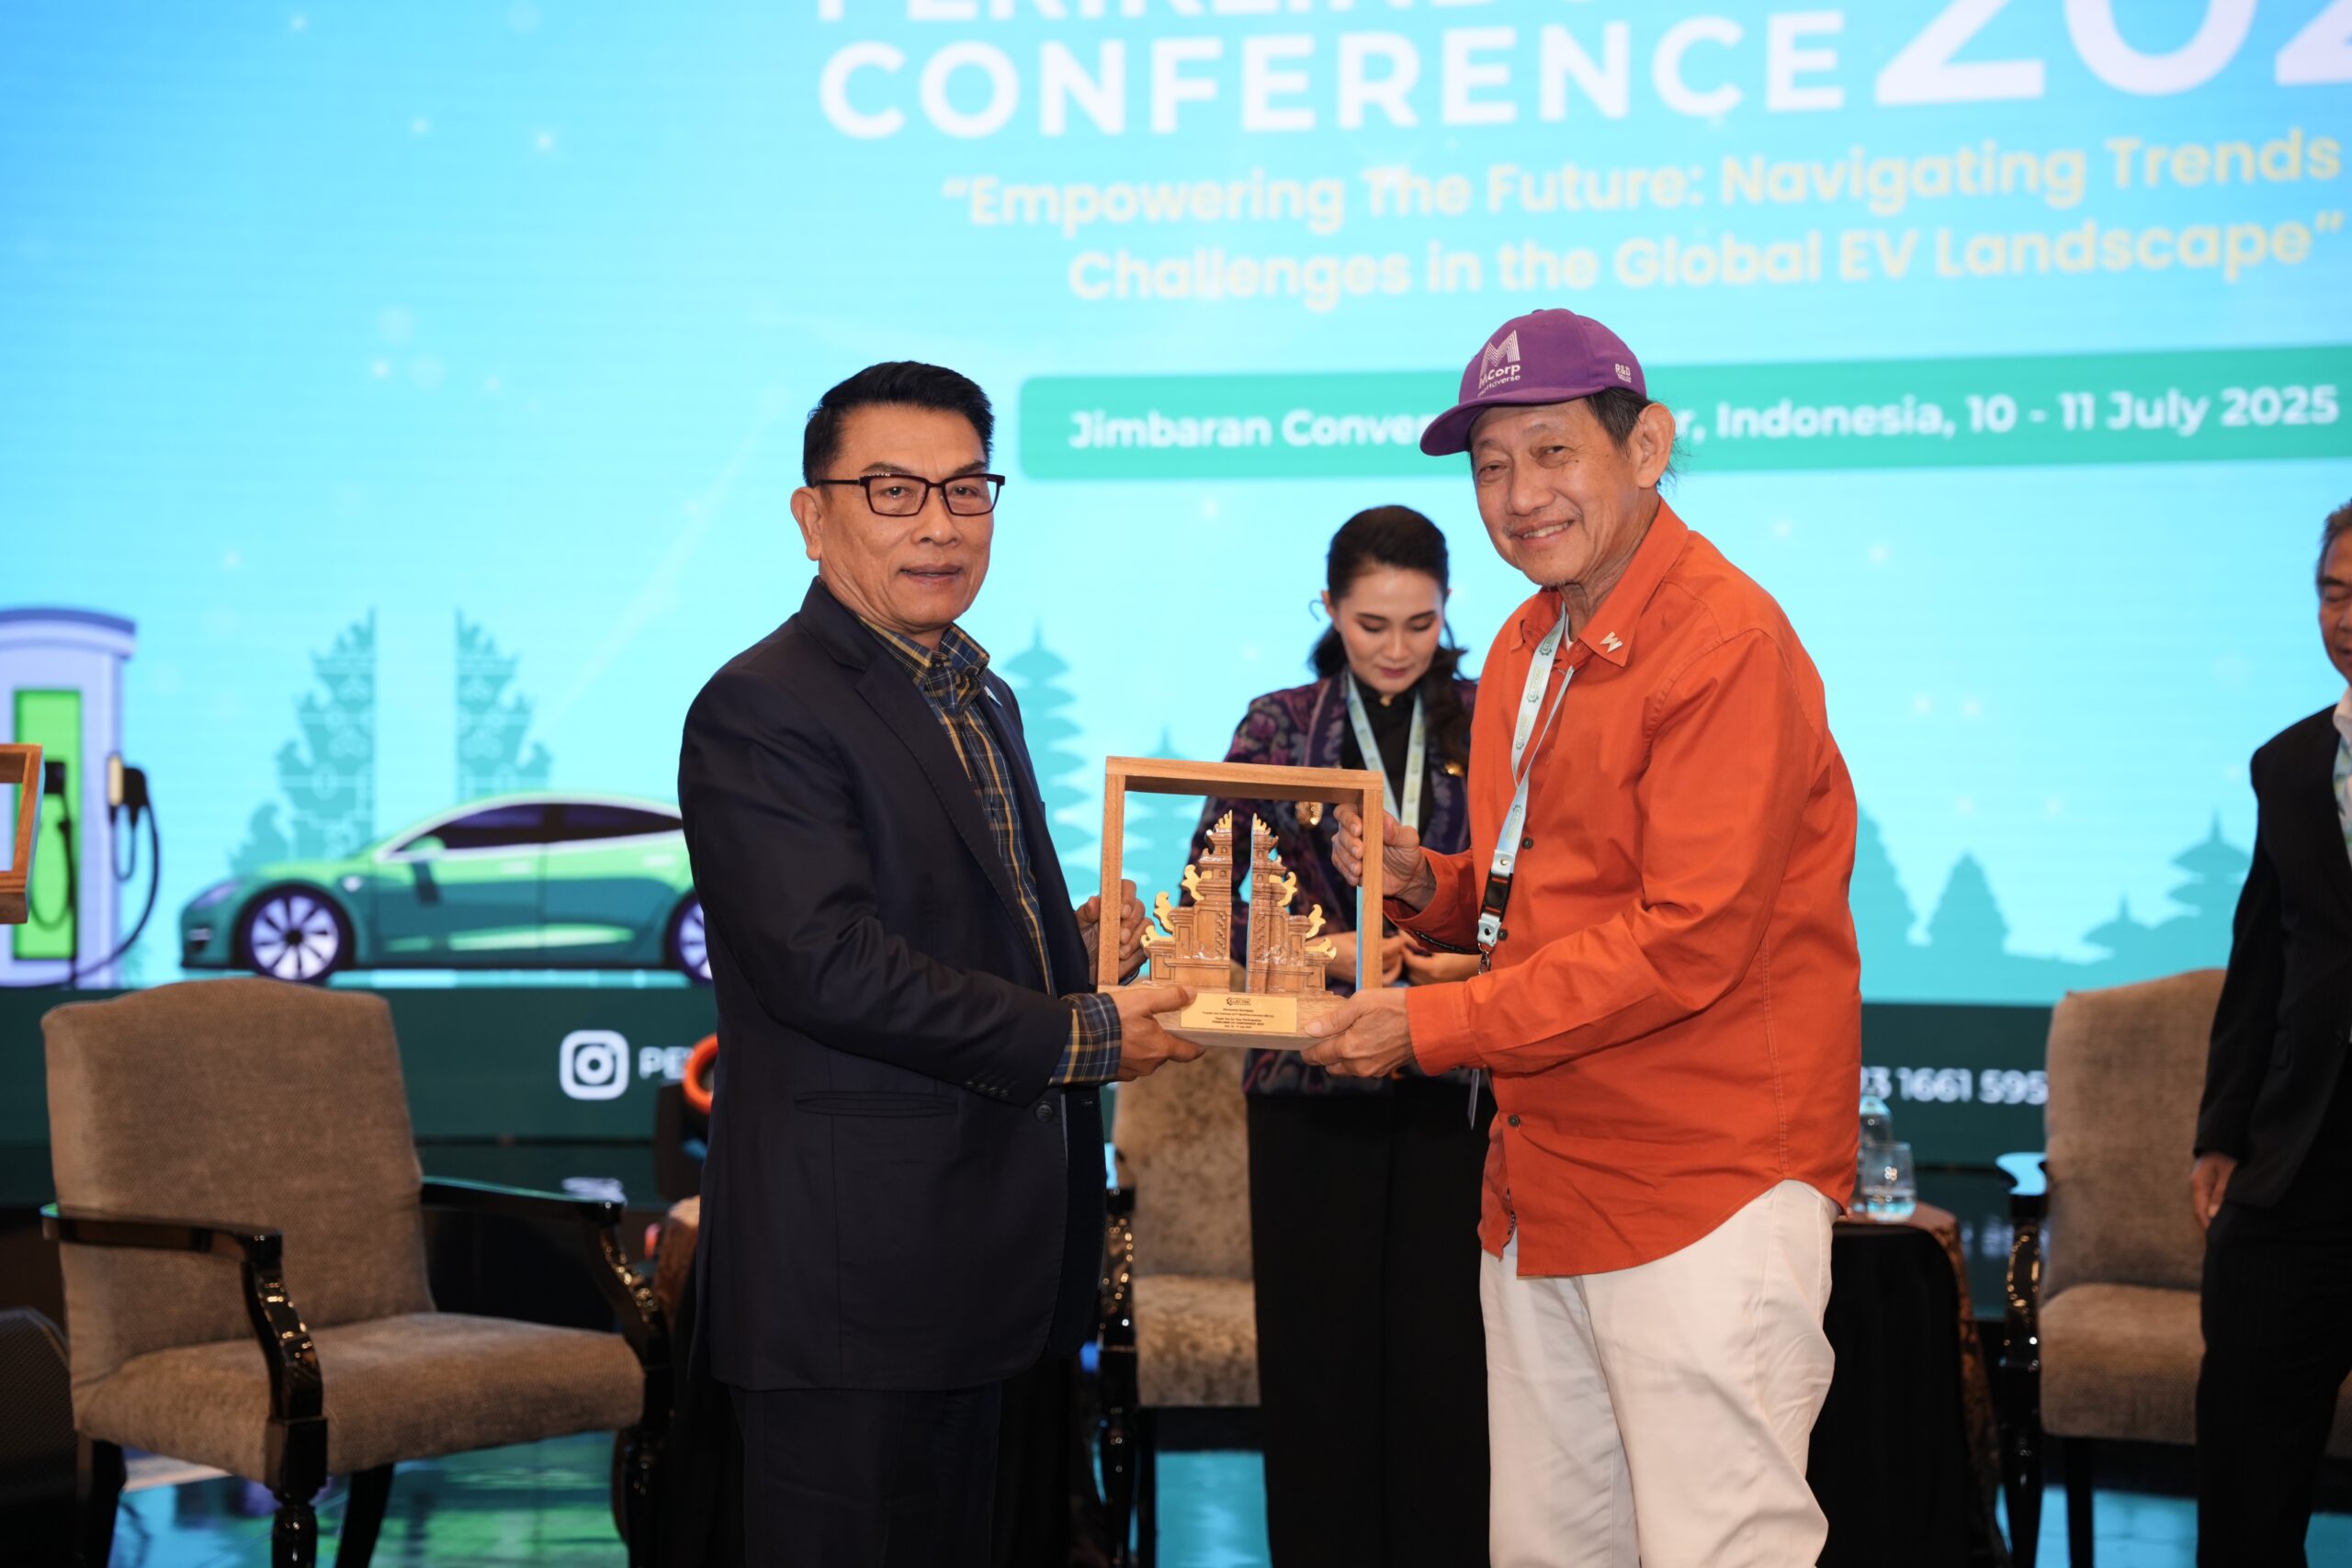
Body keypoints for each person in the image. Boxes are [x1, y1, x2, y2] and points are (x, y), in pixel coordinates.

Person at [1304, 308, 1862, 1568]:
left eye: (1552, 452)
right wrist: (1434, 884)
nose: (1519, 496)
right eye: (1490, 465)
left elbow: (1683, 941)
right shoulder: (1526, 638)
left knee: (1720, 1549)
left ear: (1646, 447)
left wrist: (1429, 1024)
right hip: (1542, 1181)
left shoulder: (1723, 641)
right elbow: (1556, 890)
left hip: (1700, 1186)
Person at [676, 359, 1201, 1568]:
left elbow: (946, 923)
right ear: (812, 517)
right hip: (856, 1284)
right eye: (893, 490)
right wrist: (1085, 1031)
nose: (939, 524)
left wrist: (1075, 950)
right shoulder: (762, 706)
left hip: (997, 1270)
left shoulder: (977, 691)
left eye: (967, 490)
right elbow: (827, 962)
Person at [1181, 505, 1489, 1568]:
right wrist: (1332, 954)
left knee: (1451, 1372)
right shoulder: (1277, 726)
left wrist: (1457, 963)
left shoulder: (1491, 721)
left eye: (1420, 624)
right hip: (1307, 1085)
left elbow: (1537, 895)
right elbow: (1210, 898)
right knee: (1318, 1371)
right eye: (1371, 624)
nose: (1397, 648)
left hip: (1456, 1083)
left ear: (1447, 609)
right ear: (1328, 608)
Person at [2192, 500, 2352, 1566]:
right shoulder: (2288, 766)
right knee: (2247, 1463)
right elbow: (2259, 960)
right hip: (2301, 1156)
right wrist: (2220, 1131)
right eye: (2333, 593)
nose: (2347, 617)